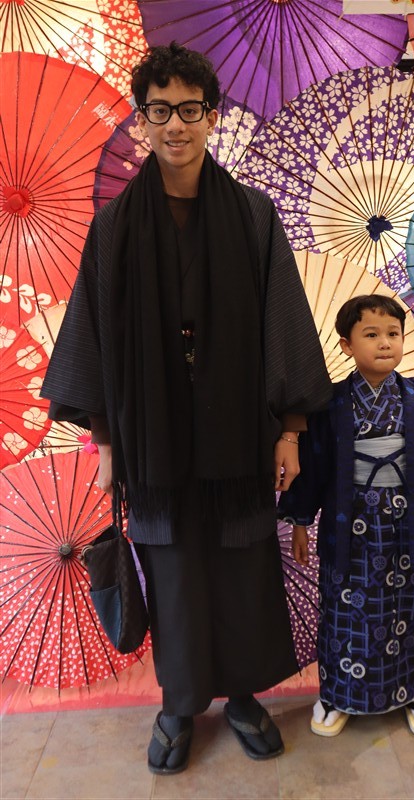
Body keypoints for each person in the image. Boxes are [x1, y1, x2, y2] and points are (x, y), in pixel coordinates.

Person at [41, 42, 331, 774]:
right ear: (142, 120)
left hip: (239, 425)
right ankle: (179, 702)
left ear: (212, 116)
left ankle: (241, 695)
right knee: (171, 568)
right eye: (160, 110)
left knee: (241, 560)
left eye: (190, 109)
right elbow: (95, 338)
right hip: (151, 432)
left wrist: (291, 432)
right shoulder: (115, 226)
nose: (176, 124)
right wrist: (107, 445)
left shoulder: (254, 215)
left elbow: (282, 323)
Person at [278, 295, 414, 739]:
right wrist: (300, 522)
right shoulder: (331, 404)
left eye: (393, 333)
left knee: (409, 606)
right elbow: (314, 466)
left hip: (407, 526)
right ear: (347, 345)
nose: (385, 343)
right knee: (344, 608)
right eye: (371, 334)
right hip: (348, 527)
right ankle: (338, 693)